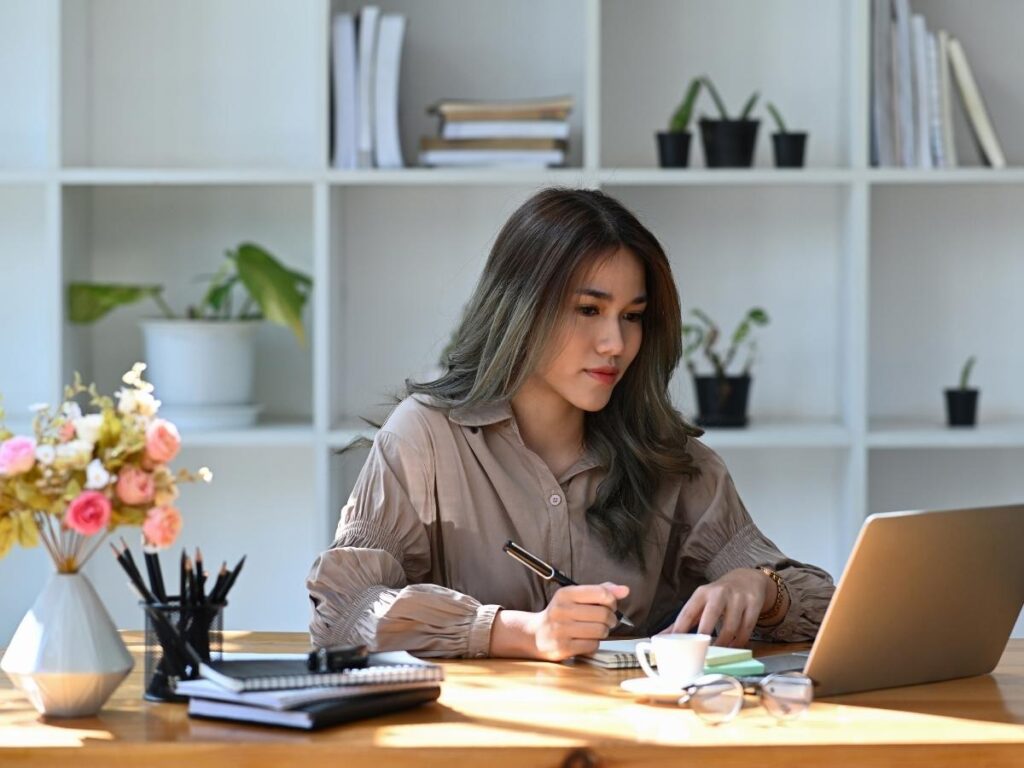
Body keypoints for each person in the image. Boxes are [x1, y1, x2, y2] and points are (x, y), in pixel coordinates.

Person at [306, 187, 834, 661]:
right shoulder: (425, 439)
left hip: (636, 744)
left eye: (631, 316)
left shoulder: (668, 455)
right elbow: (344, 610)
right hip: (474, 747)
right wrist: (517, 631)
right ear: (522, 308)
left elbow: (827, 606)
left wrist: (760, 587)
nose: (616, 343)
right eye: (588, 309)